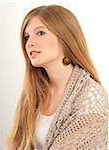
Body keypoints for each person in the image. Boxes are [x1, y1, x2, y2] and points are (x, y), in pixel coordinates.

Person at [6, 4, 108, 150]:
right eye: (26, 37)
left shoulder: (91, 98)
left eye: (40, 33)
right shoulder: (34, 91)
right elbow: (15, 143)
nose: (29, 43)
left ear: (65, 37)